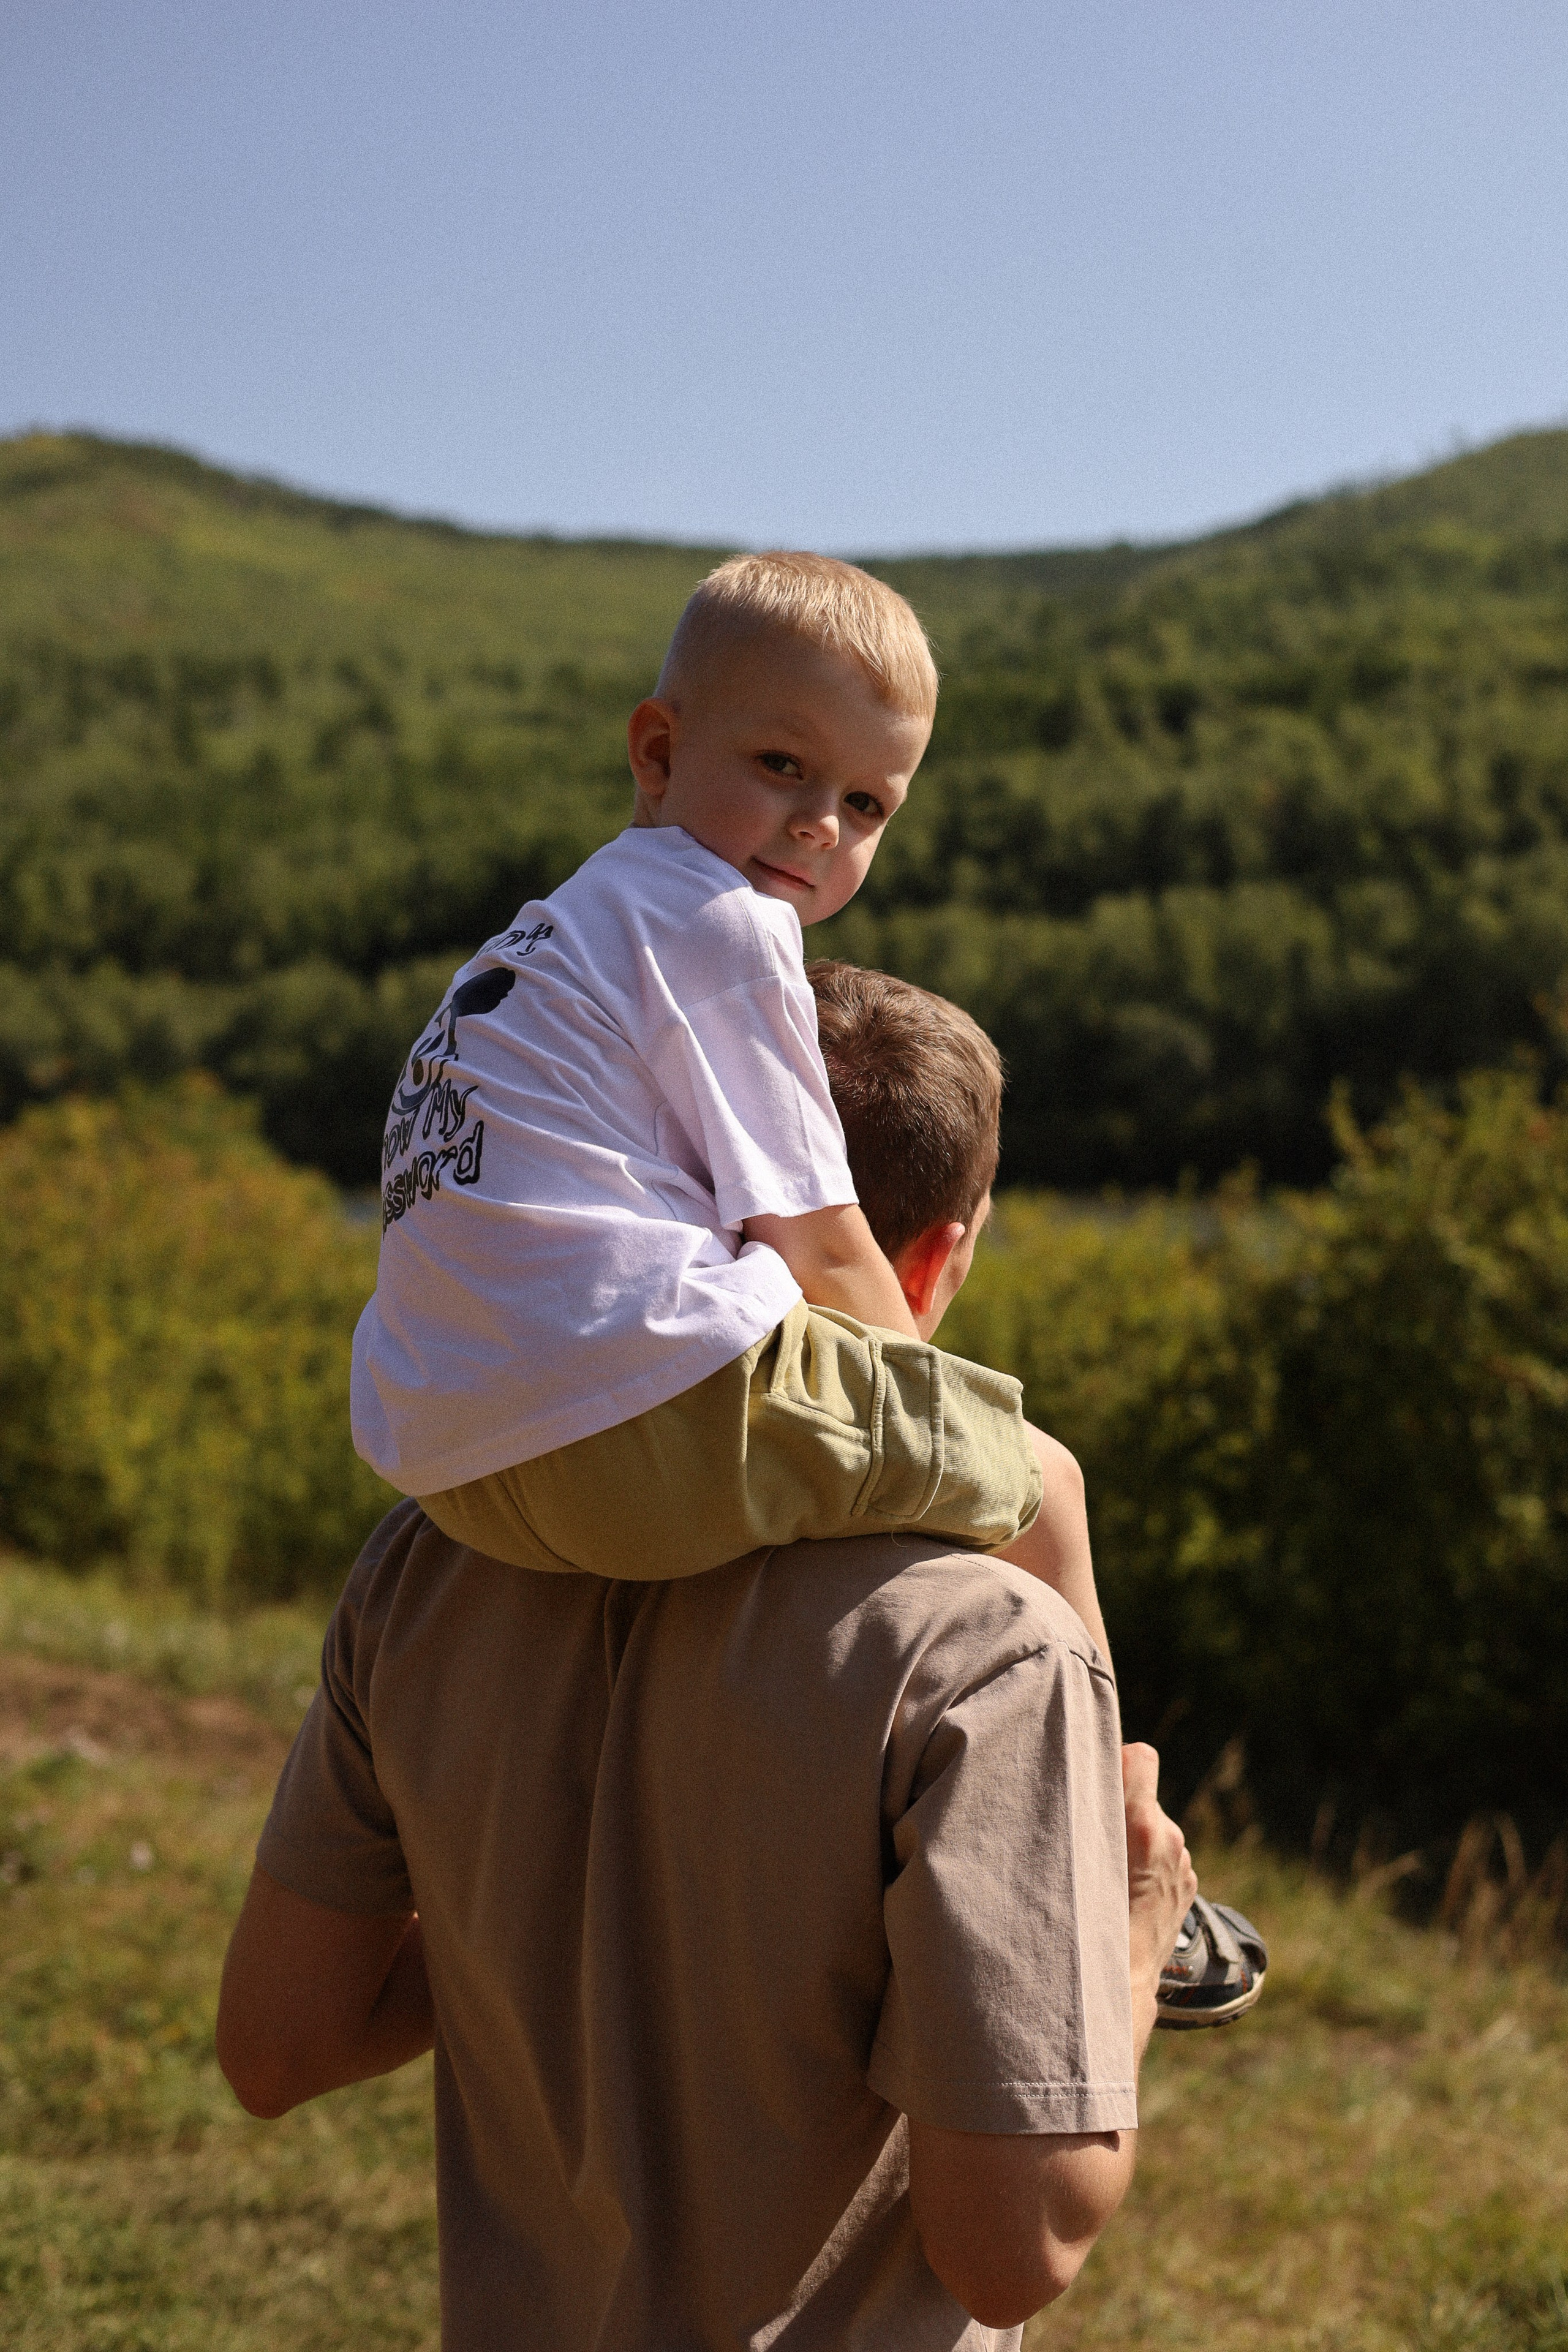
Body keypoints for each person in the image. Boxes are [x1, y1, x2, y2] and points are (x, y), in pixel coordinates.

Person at [218, 965, 1195, 2348]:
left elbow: (277, 2048)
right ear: (936, 1262)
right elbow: (1010, 2241)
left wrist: (535, 1910)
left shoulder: (432, 1563)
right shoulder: (982, 1653)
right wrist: (1135, 1943)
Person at [350, 552, 1108, 1661]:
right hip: (636, 1421)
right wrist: (932, 1410)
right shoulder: (725, 921)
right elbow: (820, 1240)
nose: (819, 825)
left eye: (864, 803)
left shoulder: (539, 942)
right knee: (1044, 1480)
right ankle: (1124, 1798)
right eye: (782, 765)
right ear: (657, 753)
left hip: (447, 1452)